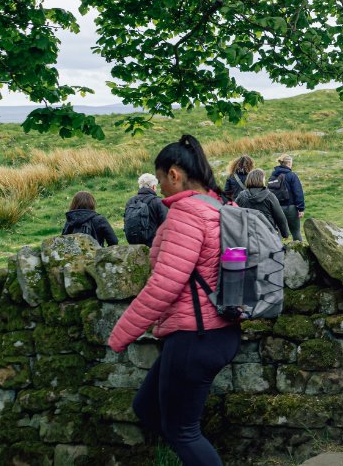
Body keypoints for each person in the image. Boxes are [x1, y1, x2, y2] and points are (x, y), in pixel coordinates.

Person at [107, 135, 241, 466]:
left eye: (162, 178)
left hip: (195, 336)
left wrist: (120, 334)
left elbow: (164, 286)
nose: (162, 188)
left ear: (174, 174)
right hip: (221, 329)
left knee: (183, 431)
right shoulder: (224, 207)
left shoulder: (187, 213)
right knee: (147, 407)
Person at [234, 169, 290, 238]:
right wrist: (285, 234)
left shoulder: (241, 196)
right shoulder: (269, 196)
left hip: (248, 235)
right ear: (261, 180)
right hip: (267, 235)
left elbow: (234, 214)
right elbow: (280, 218)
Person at [123, 173, 169, 246]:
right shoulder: (159, 202)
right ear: (153, 187)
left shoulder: (130, 201)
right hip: (153, 245)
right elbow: (166, 225)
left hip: (134, 244)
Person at [269, 154, 305, 241]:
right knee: (295, 232)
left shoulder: (272, 176)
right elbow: (298, 192)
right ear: (288, 163)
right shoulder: (292, 175)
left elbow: (269, 194)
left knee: (279, 233)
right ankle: (300, 252)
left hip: (277, 209)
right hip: (291, 208)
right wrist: (301, 209)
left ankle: (277, 252)